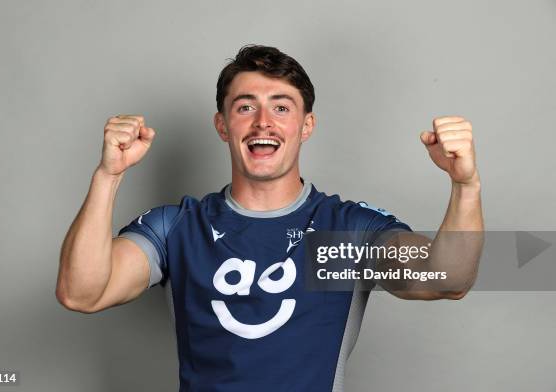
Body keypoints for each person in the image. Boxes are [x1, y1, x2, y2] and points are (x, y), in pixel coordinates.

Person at [56, 45, 484, 391]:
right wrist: (108, 176)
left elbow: (446, 278)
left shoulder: (343, 231)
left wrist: (465, 186)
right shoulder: (178, 227)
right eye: (245, 108)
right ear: (223, 125)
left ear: (306, 125)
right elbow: (82, 293)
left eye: (282, 108)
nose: (264, 122)